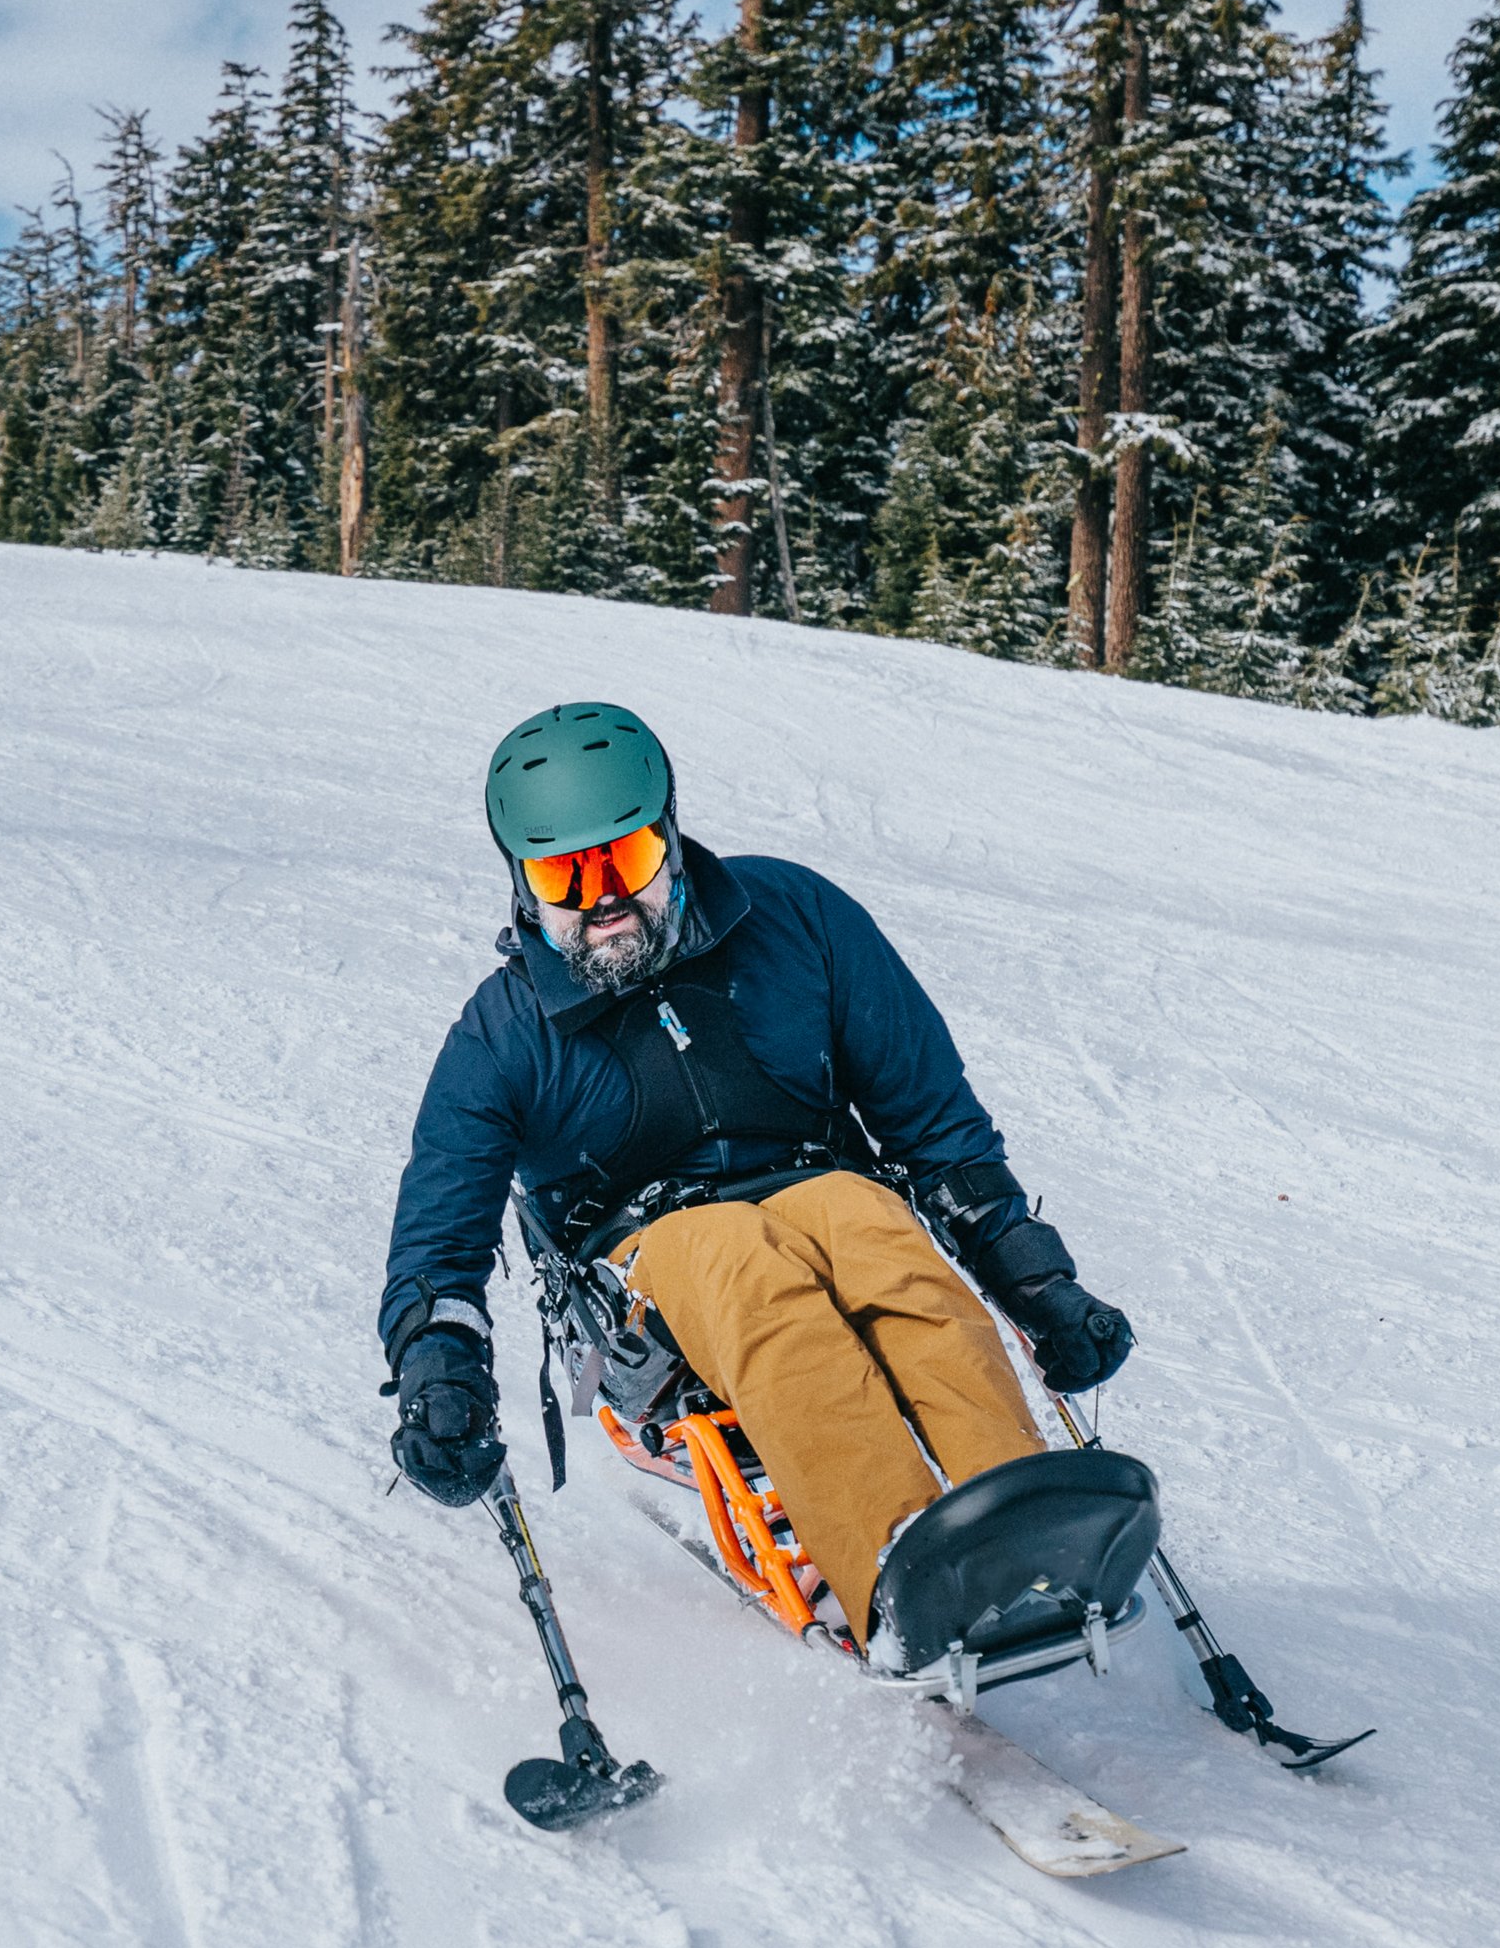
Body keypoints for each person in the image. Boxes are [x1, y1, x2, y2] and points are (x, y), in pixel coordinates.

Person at [375, 703, 1135, 1653]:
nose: (604, 899)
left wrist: (1036, 1282)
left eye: (628, 862)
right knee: (734, 1256)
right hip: (642, 1274)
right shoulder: (503, 1033)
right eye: (566, 875)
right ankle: (900, 1573)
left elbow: (932, 1117)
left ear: (672, 838)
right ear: (522, 884)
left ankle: (1020, 1533)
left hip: (820, 1191)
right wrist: (440, 1369)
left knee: (879, 1236)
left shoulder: (798, 918)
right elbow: (438, 1236)